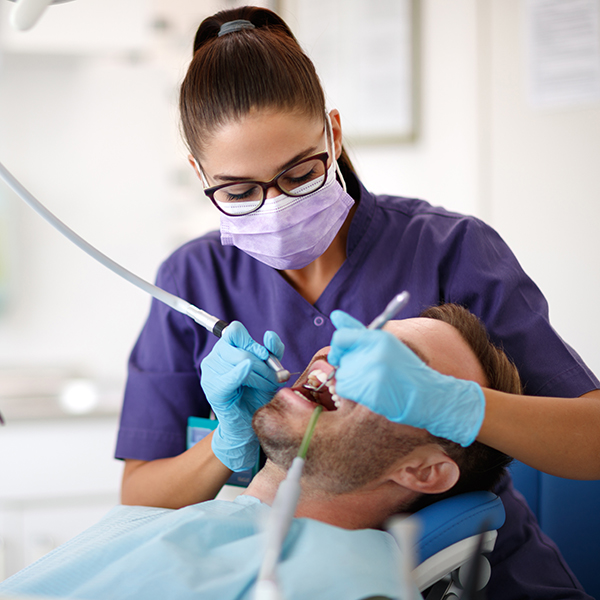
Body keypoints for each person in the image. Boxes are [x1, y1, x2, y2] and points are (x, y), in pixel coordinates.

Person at [115, 5, 599, 599]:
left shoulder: (448, 249)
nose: (276, 205)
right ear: (199, 173)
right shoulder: (193, 278)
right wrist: (224, 445)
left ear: (334, 134)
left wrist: (461, 407)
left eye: (299, 174)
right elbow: (140, 495)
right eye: (239, 191)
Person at [0, 306, 521, 600]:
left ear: (424, 470)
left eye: (395, 364)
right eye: (360, 337)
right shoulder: (180, 520)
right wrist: (227, 441)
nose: (336, 352)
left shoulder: (343, 581)